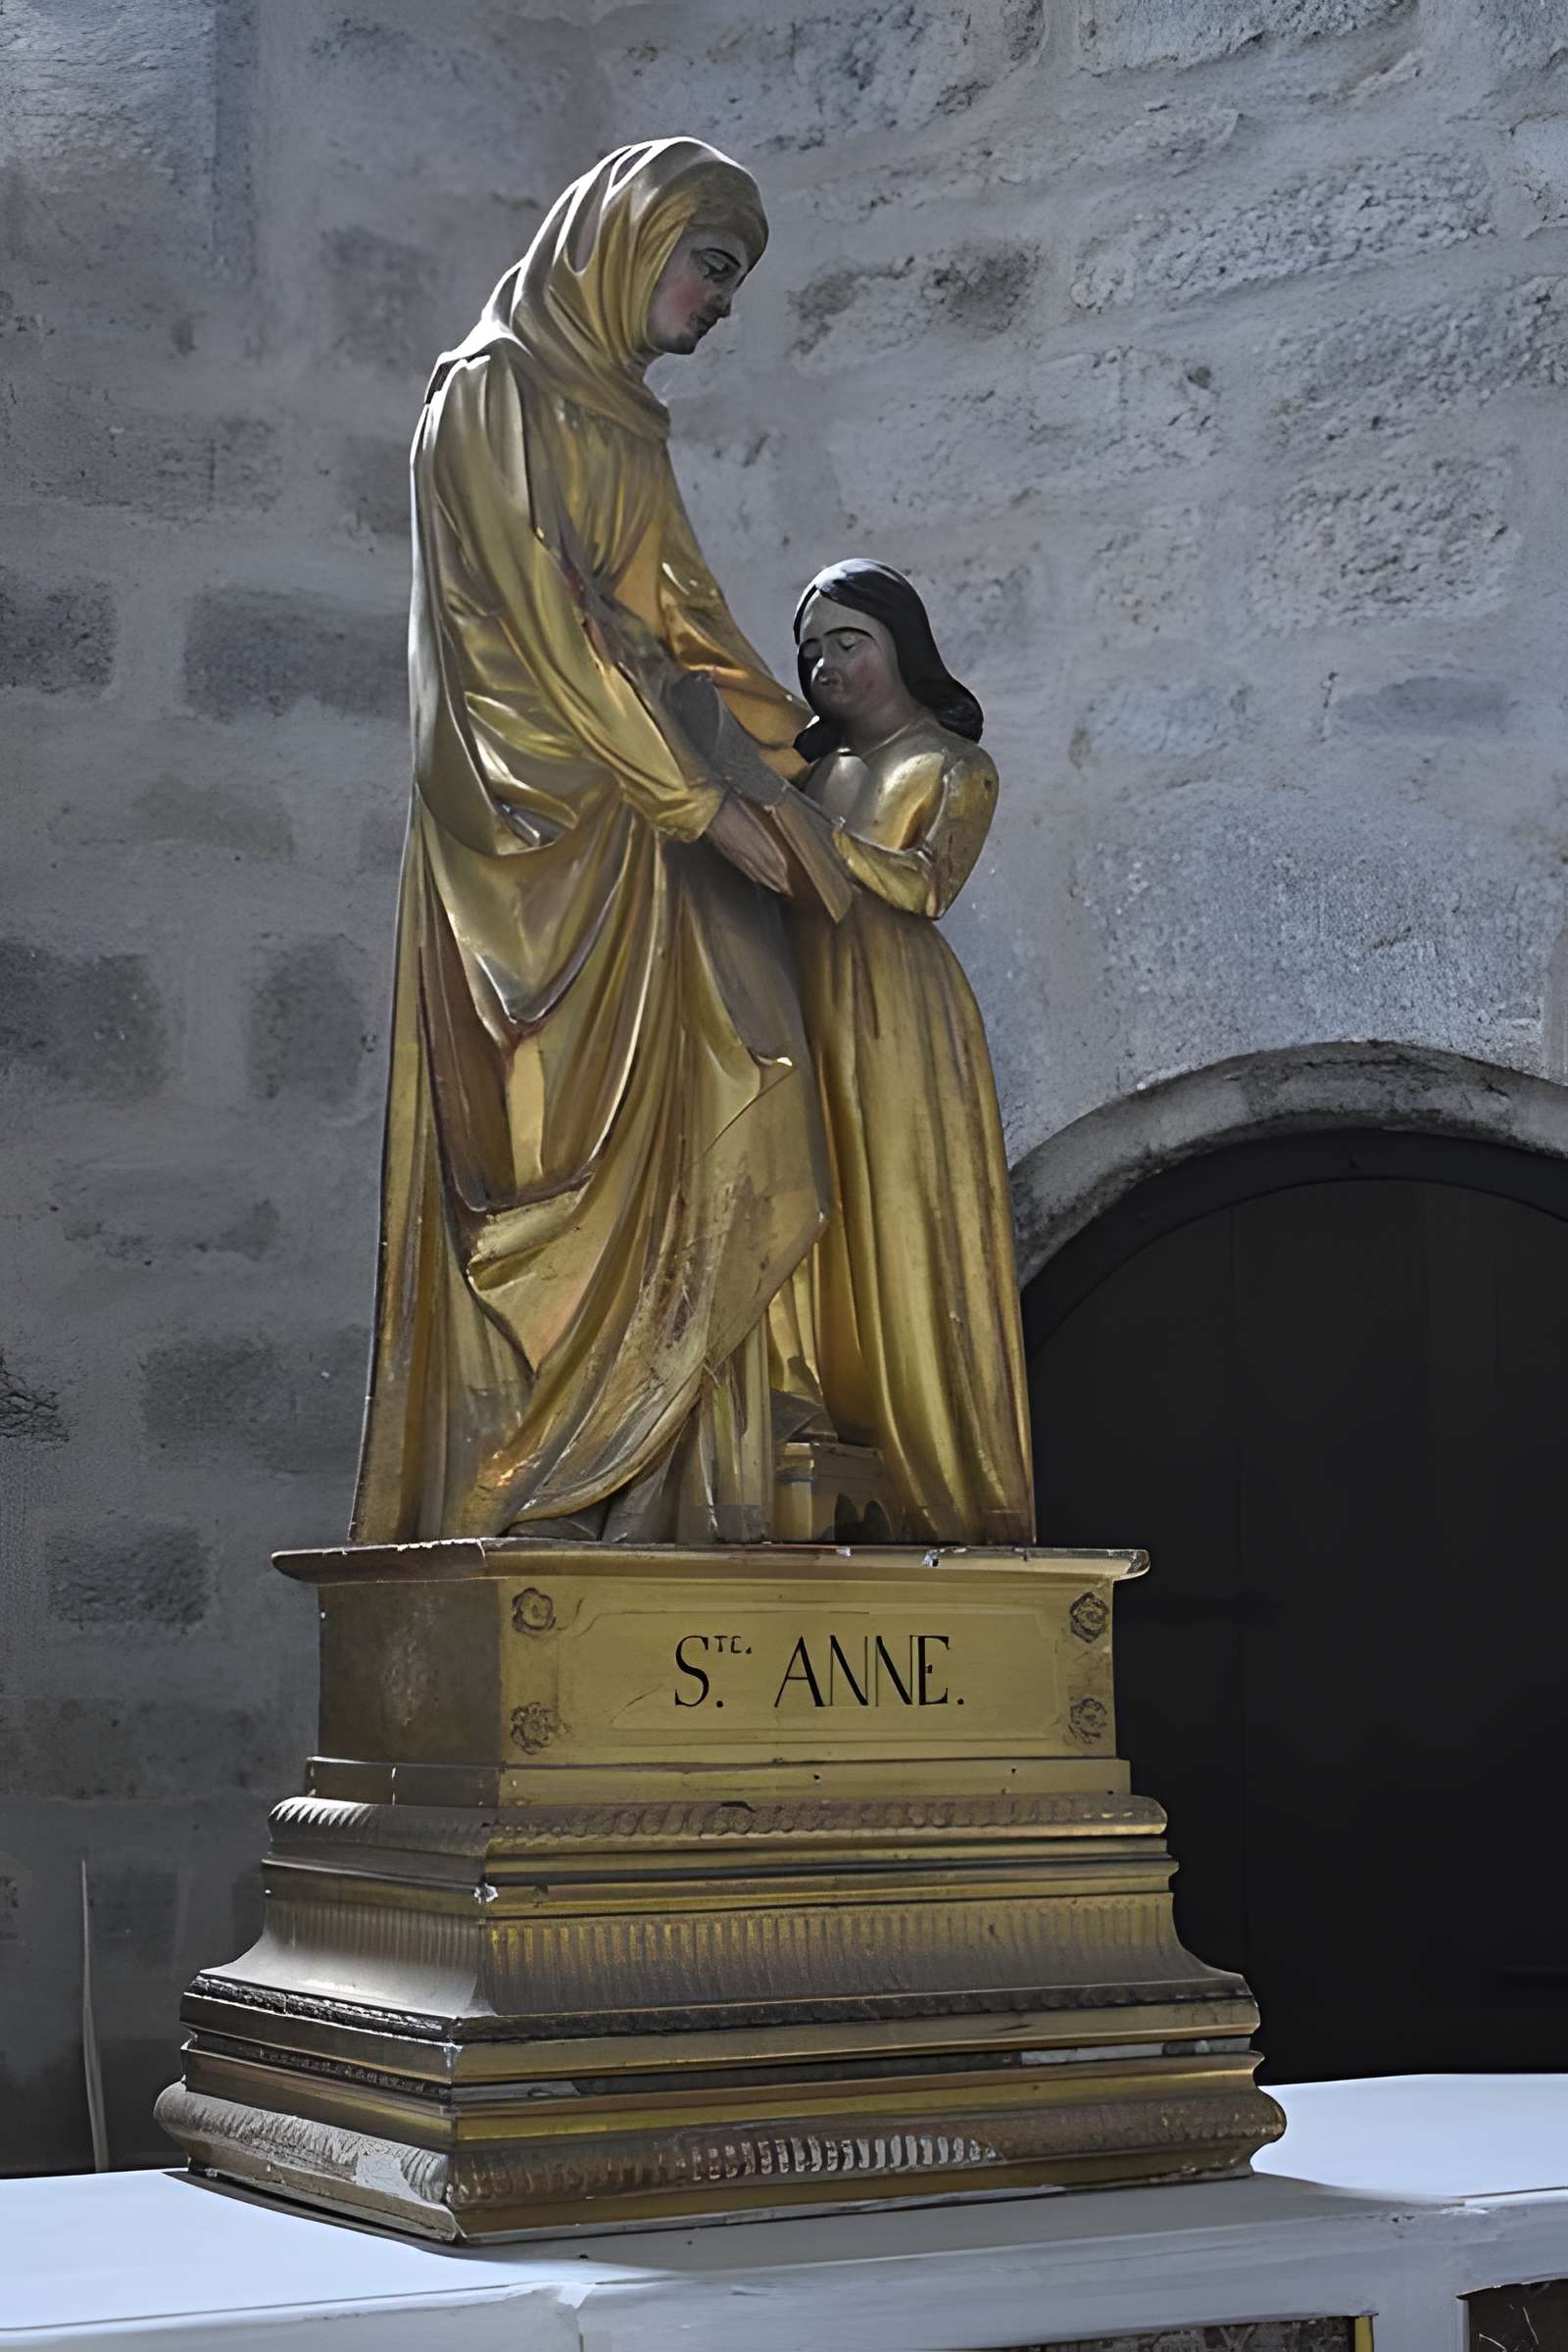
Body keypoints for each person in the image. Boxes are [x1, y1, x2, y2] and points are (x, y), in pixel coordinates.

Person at [350, 141, 834, 1546]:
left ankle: (671, 1484)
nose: (721, 303)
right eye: (712, 267)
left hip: (656, 824)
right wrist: (704, 806)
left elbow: (686, 621)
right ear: (627, 240)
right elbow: (542, 634)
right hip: (537, 845)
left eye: (733, 280)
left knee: (730, 1105)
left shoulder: (627, 420)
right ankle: (535, 1489)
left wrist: (808, 767)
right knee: (549, 1162)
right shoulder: (487, 390)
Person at [777, 560, 1036, 1544]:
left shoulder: (952, 766)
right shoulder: (818, 772)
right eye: (812, 652)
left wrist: (806, 835)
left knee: (896, 1210)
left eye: (849, 643)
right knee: (820, 1211)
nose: (828, 668)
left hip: (897, 1017)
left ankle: (939, 1479)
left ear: (901, 647)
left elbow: (927, 887)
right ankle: (825, 1425)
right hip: (806, 999)